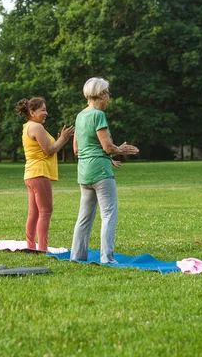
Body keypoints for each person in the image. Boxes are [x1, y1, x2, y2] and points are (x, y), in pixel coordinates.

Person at [70, 77, 139, 264]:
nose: (109, 98)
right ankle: (107, 258)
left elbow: (77, 149)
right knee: (109, 215)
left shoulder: (80, 116)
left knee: (84, 218)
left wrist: (109, 155)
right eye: (107, 93)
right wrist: (120, 150)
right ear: (100, 94)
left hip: (84, 173)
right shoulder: (98, 115)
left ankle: (76, 256)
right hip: (100, 172)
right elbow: (107, 147)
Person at [15, 98, 75, 251]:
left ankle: (30, 246)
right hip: (39, 173)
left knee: (34, 212)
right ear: (32, 112)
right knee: (46, 211)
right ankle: (42, 248)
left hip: (30, 173)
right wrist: (63, 138)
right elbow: (49, 149)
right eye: (43, 110)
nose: (46, 113)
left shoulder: (28, 126)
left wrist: (61, 139)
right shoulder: (36, 127)